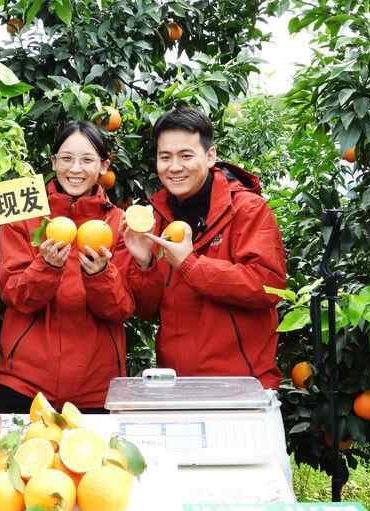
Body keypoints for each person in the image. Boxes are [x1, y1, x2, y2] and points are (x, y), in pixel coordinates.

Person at [122, 107, 286, 388]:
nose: (174, 167)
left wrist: (190, 264)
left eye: (186, 156)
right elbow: (148, 310)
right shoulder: (157, 216)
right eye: (165, 157)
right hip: (177, 384)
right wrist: (144, 264)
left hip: (241, 385)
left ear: (210, 156)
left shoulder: (247, 209)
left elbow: (268, 286)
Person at [0, 120, 134, 413]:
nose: (75, 169)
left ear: (104, 166)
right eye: (66, 158)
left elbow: (121, 309)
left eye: (87, 160)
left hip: (96, 388)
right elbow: (15, 295)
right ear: (53, 162)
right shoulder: (23, 214)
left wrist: (100, 275)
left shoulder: (118, 223)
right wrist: (46, 268)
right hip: (23, 383)